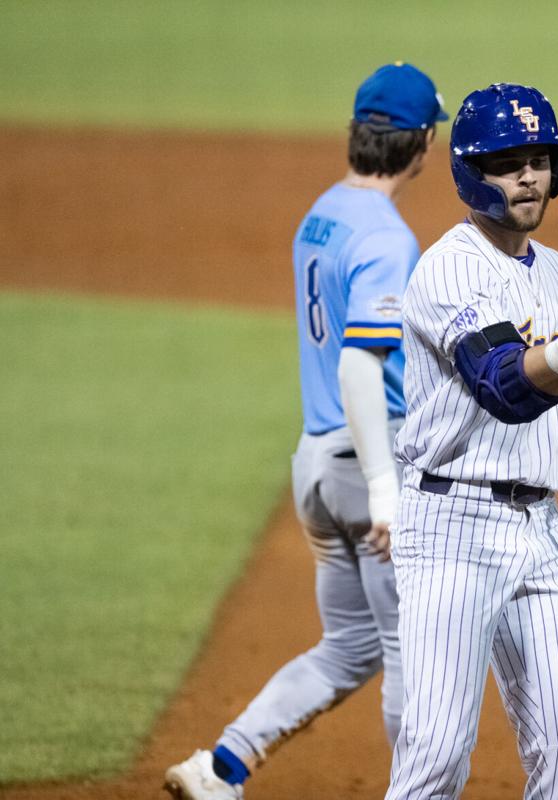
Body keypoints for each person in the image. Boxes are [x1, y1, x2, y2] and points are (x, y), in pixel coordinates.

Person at [163, 62, 447, 800]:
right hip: (367, 464)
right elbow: (360, 362)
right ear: (420, 145)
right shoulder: (389, 237)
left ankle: (221, 767)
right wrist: (388, 492)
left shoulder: (321, 213)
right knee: (412, 656)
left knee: (349, 646)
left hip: (316, 466)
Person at [384, 83, 558, 800]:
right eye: (510, 163)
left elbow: (552, 402)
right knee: (437, 753)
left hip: (539, 527)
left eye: (540, 159)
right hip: (449, 528)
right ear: (473, 171)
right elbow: (506, 387)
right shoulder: (451, 268)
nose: (530, 175)